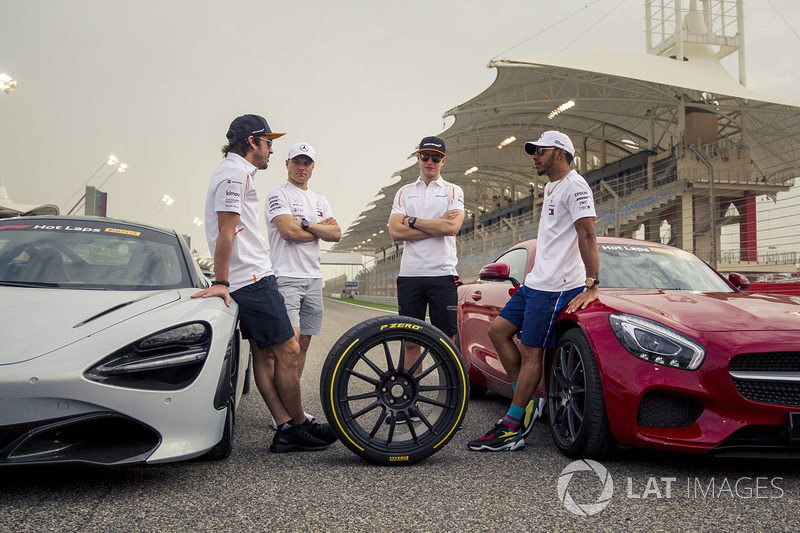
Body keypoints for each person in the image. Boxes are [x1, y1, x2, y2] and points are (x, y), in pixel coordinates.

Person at [192, 114, 336, 453]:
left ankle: (286, 425)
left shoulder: (237, 172)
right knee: (287, 348)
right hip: (252, 277)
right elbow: (225, 231)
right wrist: (222, 281)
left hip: (252, 275)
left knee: (264, 351)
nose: (271, 149)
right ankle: (299, 424)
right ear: (253, 142)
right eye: (268, 142)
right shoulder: (234, 173)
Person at [467, 130, 600, 452]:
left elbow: (588, 235)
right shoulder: (552, 186)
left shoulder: (576, 185)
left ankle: (513, 427)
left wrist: (592, 283)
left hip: (555, 287)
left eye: (540, 151)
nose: (534, 157)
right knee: (499, 332)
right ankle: (524, 404)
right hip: (536, 282)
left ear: (559, 153)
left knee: (531, 353)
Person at [388, 136, 465, 422]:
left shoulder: (453, 190)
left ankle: (451, 402)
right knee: (410, 341)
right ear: (417, 158)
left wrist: (412, 221)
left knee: (447, 340)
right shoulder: (404, 192)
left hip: (442, 274)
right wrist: (436, 226)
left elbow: (452, 227)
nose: (430, 162)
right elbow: (395, 233)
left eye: (436, 157)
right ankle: (408, 402)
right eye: (425, 156)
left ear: (443, 160)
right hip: (410, 275)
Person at [265, 142, 340, 426]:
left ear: (312, 167)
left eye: (307, 163)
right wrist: (318, 229)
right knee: (290, 346)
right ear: (286, 163)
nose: (301, 167)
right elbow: (286, 231)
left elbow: (336, 234)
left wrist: (306, 225)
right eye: (297, 161)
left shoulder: (320, 200)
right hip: (286, 276)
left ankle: (290, 406)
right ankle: (284, 416)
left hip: (313, 277)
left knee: (305, 342)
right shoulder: (278, 194)